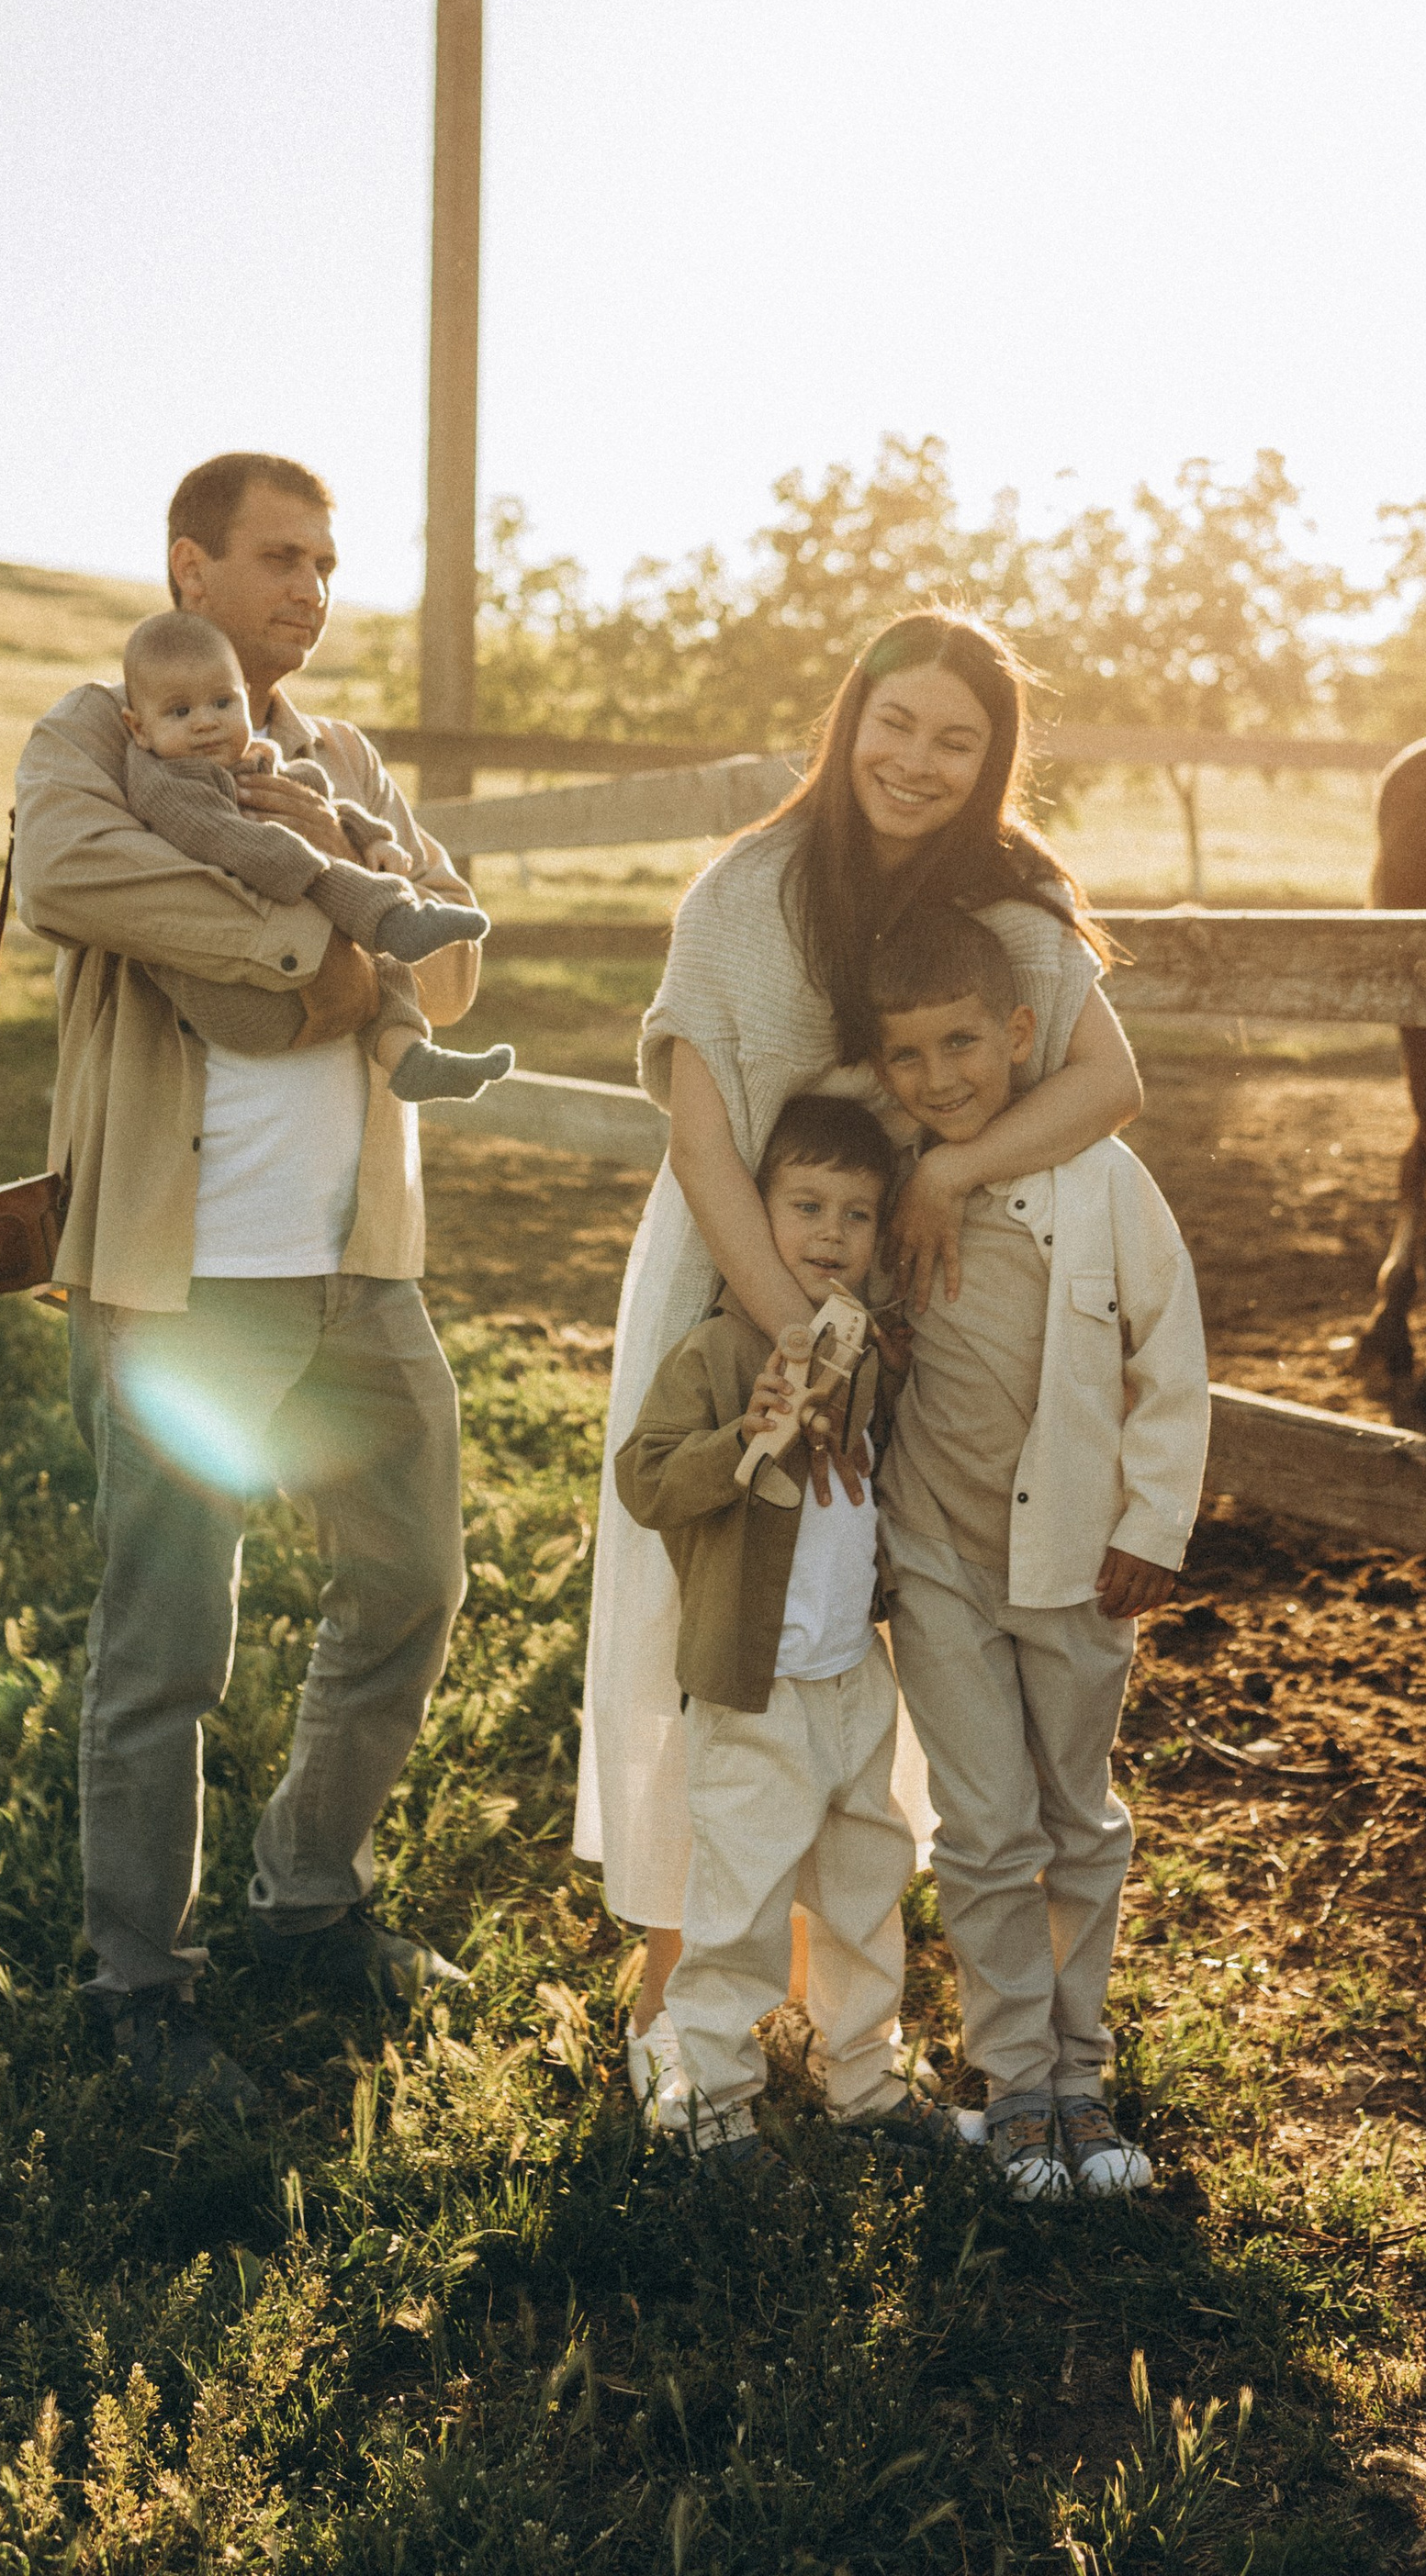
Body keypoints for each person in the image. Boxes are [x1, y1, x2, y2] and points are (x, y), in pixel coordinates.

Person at [573, 609, 1146, 2127]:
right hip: (734, 1276)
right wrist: (793, 1339)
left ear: (990, 760)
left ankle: (844, 2010)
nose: (919, 760)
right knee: (710, 1625)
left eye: (957, 739)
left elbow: (1109, 1079)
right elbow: (701, 1137)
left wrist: (949, 1184)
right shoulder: (748, 891)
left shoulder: (1009, 908)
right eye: (897, 724)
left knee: (859, 1632)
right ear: (851, 719)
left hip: (915, 1314)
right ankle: (674, 1994)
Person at [15, 450, 482, 2119]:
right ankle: (139, 1980)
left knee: (413, 1582)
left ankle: (310, 1889)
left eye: (329, 563)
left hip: (363, 1263)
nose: (313, 590)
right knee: (168, 1641)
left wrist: (349, 933)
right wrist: (314, 960)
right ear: (188, 569)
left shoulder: (340, 754)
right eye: (282, 558)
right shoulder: (96, 729)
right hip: (187, 1279)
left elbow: (458, 942)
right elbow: (76, 876)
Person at [868, 907, 1208, 2203]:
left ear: (1021, 1034)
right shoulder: (905, 1184)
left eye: (962, 1043)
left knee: (1078, 1819)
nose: (940, 1077)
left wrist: (1151, 1525)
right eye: (907, 1056)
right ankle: (1014, 2085)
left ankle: (1084, 2073)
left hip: (1077, 1562)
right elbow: (878, 1343)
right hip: (940, 1562)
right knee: (984, 1827)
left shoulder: (1108, 1184)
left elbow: (1169, 1361)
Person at [614, 1095, 956, 2169]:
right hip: (753, 1685)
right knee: (740, 1906)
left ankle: (862, 2074)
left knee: (866, 1892)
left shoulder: (862, 1353)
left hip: (853, 1676)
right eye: (804, 1206)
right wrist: (744, 1437)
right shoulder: (721, 1352)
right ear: (751, 1213)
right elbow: (646, 1482)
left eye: (856, 1215)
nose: (829, 1235)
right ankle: (714, 2101)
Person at [118, 607, 513, 1103]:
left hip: (304, 969)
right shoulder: (163, 782)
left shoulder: (296, 755)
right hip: (241, 999)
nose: (205, 723)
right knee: (325, 898)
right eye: (180, 712)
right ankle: (394, 919)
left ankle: (412, 1058)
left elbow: (320, 794)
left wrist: (366, 839)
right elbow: (227, 840)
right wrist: (315, 865)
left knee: (378, 966)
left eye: (222, 703)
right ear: (138, 729)